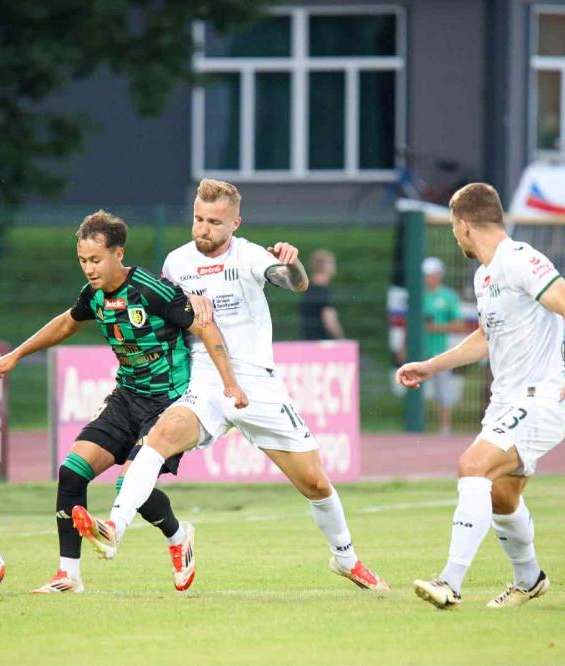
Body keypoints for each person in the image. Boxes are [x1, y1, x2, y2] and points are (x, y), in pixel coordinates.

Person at [72, 179, 389, 592]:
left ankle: (345, 559)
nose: (203, 228)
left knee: (315, 482)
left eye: (215, 222)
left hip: (256, 384)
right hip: (206, 380)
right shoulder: (176, 263)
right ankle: (115, 527)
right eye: (199, 219)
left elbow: (294, 282)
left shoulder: (249, 255)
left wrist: (293, 264)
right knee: (162, 434)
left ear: (235, 223)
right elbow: (165, 312)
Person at [0, 210, 246, 594]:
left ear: (118, 254)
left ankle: (178, 535)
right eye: (82, 260)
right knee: (71, 473)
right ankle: (68, 575)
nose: (88, 268)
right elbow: (66, 322)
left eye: (95, 259)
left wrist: (229, 382)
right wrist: (17, 354)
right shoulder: (93, 295)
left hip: (168, 402)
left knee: (130, 484)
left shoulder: (151, 290)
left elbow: (205, 327)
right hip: (126, 398)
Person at [397, 183, 565, 609]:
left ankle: (449, 582)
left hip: (540, 398)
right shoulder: (484, 275)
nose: (455, 235)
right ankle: (530, 579)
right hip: (506, 402)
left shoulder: (521, 260)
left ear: (464, 225)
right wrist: (430, 366)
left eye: (454, 227)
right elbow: (486, 337)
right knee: (502, 497)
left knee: (472, 465)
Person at [421, 256, 464, 434]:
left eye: (432, 275)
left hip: (440, 351)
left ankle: (444, 429)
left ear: (439, 275)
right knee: (416, 389)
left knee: (443, 392)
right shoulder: (418, 295)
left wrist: (435, 327)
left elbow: (459, 324)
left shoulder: (448, 297)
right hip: (420, 350)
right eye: (426, 275)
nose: (429, 279)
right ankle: (417, 428)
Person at [299, 249, 344, 340]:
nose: (334, 267)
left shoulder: (308, 289)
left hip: (310, 341)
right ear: (325, 266)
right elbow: (329, 319)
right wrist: (341, 339)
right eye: (332, 264)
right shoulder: (322, 291)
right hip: (324, 343)